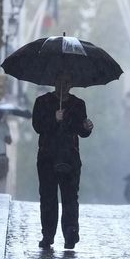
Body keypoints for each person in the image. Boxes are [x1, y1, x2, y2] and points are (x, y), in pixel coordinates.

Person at [32, 71, 93, 249]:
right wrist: (54, 118)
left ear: (71, 84)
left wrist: (87, 127)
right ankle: (48, 235)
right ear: (54, 82)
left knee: (70, 198)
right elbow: (37, 126)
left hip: (70, 157)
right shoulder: (42, 102)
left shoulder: (78, 104)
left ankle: (70, 234)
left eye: (67, 81)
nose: (63, 85)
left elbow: (81, 131)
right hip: (47, 157)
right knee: (48, 197)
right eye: (60, 81)